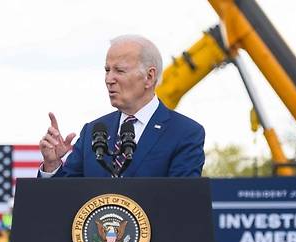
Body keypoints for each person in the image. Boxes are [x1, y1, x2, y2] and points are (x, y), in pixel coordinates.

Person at [38, 34, 205, 178]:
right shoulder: (93, 131)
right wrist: (52, 165)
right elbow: (66, 197)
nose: (109, 79)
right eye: (107, 70)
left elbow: (182, 201)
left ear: (149, 76)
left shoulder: (185, 133)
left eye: (119, 70)